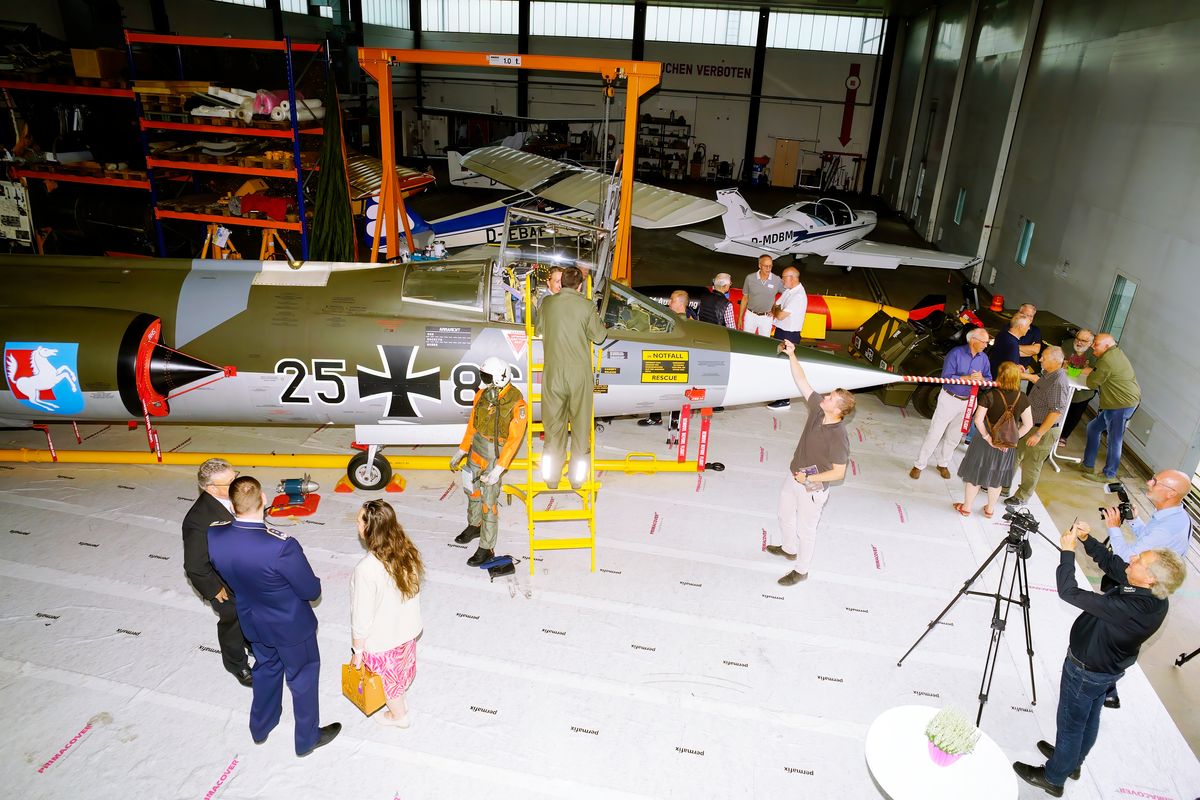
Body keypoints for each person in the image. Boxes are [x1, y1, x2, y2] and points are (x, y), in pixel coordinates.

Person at [1011, 521, 1186, 796]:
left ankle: (1054, 777)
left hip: (1086, 671)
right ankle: (1073, 762)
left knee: (1070, 724)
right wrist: (1086, 539)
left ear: (1151, 577)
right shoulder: (1150, 591)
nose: (1133, 557)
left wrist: (1067, 552)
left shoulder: (1133, 608)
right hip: (1105, 670)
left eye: (1140, 560)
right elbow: (1114, 566)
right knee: (1089, 718)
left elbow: (1069, 592)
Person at [207, 476, 340, 756]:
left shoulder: (215, 534)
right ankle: (306, 739)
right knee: (302, 677)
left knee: (266, 668)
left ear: (232, 505)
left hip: (252, 621)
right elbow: (310, 590)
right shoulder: (281, 545)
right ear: (264, 500)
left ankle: (261, 725)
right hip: (290, 627)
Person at [1096, 468, 1192, 708]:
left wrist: (1114, 527)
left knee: (1112, 638)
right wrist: (1134, 521)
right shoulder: (1174, 515)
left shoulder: (1165, 527)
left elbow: (1129, 556)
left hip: (1139, 589)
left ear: (1170, 493)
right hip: (1148, 586)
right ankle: (1107, 687)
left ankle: (1106, 689)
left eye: (1155, 481)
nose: (1149, 482)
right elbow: (1147, 541)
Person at [766, 339, 854, 586]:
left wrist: (810, 479)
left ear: (838, 410)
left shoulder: (839, 436)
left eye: (830, 398)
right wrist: (792, 355)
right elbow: (802, 381)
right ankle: (788, 548)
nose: (824, 397)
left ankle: (801, 570)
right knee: (784, 513)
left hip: (812, 488)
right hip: (794, 474)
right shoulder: (818, 409)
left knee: (807, 530)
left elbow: (838, 473)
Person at [351, 500, 424, 728]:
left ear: (368, 529)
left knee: (387, 682)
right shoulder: (407, 551)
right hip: (407, 630)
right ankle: (400, 701)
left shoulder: (366, 569)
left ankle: (398, 716)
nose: (357, 526)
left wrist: (358, 651)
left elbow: (361, 615)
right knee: (400, 672)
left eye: (358, 522)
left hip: (383, 639)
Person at [181, 458, 252, 687]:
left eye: (235, 476)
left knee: (252, 615)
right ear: (210, 488)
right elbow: (194, 565)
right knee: (233, 622)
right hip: (225, 585)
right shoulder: (198, 520)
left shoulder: (238, 497)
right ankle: (237, 664)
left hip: (247, 574)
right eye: (229, 482)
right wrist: (213, 589)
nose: (237, 484)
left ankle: (253, 644)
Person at [450, 356, 527, 566]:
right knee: (471, 489)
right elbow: (472, 425)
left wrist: (499, 469)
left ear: (500, 378)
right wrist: (462, 450)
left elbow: (514, 440)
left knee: (489, 502)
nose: (484, 382)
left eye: (487, 377)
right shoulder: (482, 396)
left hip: (495, 454)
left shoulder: (517, 403)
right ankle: (474, 525)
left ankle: (487, 546)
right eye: (483, 376)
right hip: (476, 448)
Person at [536, 266, 608, 489]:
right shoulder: (586, 305)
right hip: (579, 375)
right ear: (579, 285)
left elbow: (539, 330)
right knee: (579, 429)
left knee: (553, 429)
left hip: (553, 374)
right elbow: (598, 337)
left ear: (561, 283)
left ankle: (551, 479)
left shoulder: (547, 304)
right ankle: (577, 480)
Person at [910, 327, 992, 480]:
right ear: (973, 340)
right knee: (935, 432)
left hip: (969, 401)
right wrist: (967, 378)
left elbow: (988, 381)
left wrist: (983, 381)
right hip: (949, 398)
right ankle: (919, 464)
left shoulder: (984, 358)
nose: (986, 345)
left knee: (955, 436)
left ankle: (943, 463)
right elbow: (946, 376)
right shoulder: (956, 353)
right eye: (984, 342)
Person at [954, 361, 1033, 517]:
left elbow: (978, 420)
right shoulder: (1022, 398)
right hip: (1006, 445)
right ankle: (990, 509)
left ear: (1001, 376)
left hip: (984, 441)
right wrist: (1011, 440)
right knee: (996, 478)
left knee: (975, 475)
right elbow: (1028, 424)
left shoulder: (989, 395)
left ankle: (966, 507)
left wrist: (987, 437)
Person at [1005, 346, 1071, 505]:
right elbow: (1036, 379)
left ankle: (1022, 497)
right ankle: (1003, 486)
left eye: (1044, 357)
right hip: (1029, 425)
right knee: (1013, 455)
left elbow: (1056, 412)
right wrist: (1019, 374)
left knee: (1031, 465)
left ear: (1056, 361)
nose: (1040, 359)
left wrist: (1038, 434)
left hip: (1042, 430)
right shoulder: (1049, 374)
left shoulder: (1058, 382)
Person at [1079, 333, 1140, 482]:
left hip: (1121, 404)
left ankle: (1109, 474)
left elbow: (1091, 383)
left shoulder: (1107, 360)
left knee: (1114, 439)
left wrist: (1090, 372)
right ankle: (1088, 465)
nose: (1093, 346)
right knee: (1093, 428)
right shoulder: (1114, 353)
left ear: (1106, 346)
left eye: (1096, 344)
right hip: (1119, 402)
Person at [639, 291, 692, 427]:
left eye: (672, 300)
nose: (669, 303)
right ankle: (661, 418)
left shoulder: (683, 322)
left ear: (680, 303)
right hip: (668, 359)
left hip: (677, 362)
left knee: (675, 391)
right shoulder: (673, 318)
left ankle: (673, 419)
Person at [766, 267, 809, 410]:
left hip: (789, 335)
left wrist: (776, 310)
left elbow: (779, 314)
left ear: (793, 278)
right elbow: (775, 306)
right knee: (779, 364)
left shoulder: (798, 296)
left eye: (784, 277)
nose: (782, 280)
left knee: (786, 367)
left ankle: (784, 400)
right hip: (781, 331)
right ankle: (779, 395)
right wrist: (777, 310)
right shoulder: (789, 291)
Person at [1058, 329, 1096, 446]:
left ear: (1090, 343)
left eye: (1083, 341)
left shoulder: (1094, 353)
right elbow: (1060, 361)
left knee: (1075, 413)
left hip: (1084, 390)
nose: (1079, 342)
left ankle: (1064, 436)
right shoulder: (1067, 345)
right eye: (1077, 339)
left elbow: (1093, 371)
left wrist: (1072, 368)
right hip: (1063, 385)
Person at [739, 254, 782, 335]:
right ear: (759, 265)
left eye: (770, 266)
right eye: (766, 266)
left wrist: (775, 311)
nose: (768, 269)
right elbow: (745, 298)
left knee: (765, 343)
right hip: (750, 316)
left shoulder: (777, 280)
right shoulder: (750, 278)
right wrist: (740, 318)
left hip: (766, 318)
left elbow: (788, 294)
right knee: (747, 340)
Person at [989, 313, 1028, 378]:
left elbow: (1003, 357)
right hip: (1001, 381)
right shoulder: (1013, 345)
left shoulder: (1002, 334)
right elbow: (1011, 372)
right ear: (1020, 327)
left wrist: (1017, 365)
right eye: (1028, 326)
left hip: (993, 374)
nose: (1028, 328)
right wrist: (1030, 377)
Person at [1016, 303, 1043, 371]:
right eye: (1027, 315)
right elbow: (1005, 349)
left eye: (1031, 316)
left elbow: (1036, 350)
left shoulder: (1035, 330)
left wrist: (1015, 347)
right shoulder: (1010, 327)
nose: (1029, 318)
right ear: (1020, 314)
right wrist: (1028, 352)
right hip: (1007, 366)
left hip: (1024, 368)